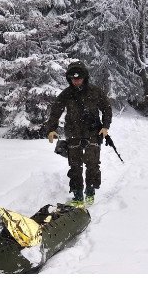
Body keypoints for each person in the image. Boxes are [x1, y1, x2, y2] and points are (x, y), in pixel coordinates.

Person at [43, 61, 112, 206]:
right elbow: (55, 111)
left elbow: (106, 109)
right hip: (73, 133)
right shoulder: (66, 94)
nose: (76, 80)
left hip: (93, 132)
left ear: (85, 77)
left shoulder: (95, 91)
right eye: (73, 78)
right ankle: (78, 196)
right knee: (75, 166)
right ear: (69, 78)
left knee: (92, 164)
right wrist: (51, 129)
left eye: (79, 78)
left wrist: (105, 126)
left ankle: (90, 193)